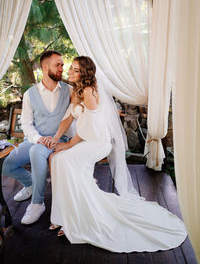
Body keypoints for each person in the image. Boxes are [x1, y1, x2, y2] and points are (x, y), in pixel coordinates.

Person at [46, 56, 187, 252]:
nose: (70, 71)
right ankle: (62, 216)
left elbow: (90, 127)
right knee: (58, 160)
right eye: (71, 68)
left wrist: (69, 144)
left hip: (98, 142)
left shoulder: (88, 91)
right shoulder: (77, 91)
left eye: (75, 69)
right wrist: (57, 140)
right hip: (88, 138)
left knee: (67, 162)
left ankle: (79, 217)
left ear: (84, 74)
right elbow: (69, 119)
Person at [2, 50, 75, 225]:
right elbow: (26, 123)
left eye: (62, 65)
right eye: (58, 65)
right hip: (37, 140)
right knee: (6, 165)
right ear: (45, 66)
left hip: (60, 140)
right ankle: (30, 185)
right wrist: (37, 138)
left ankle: (38, 202)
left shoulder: (69, 91)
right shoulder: (30, 94)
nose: (61, 68)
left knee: (36, 152)